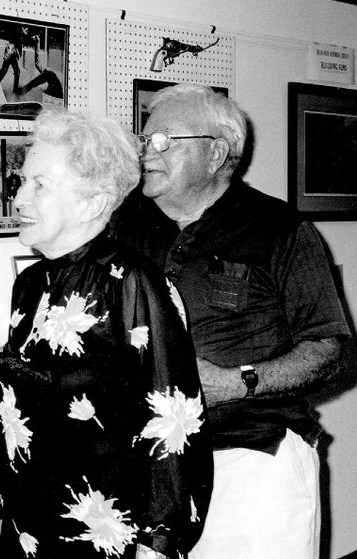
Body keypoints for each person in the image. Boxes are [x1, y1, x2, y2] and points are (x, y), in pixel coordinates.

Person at [0, 109, 212, 559]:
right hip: (32, 527)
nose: (19, 199)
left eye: (39, 185)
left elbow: (176, 419)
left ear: (93, 203)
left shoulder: (133, 283)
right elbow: (60, 389)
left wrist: (160, 543)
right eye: (21, 182)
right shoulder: (30, 284)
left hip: (105, 535)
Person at [107, 83, 351, 559]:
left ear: (216, 153)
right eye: (144, 140)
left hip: (252, 460)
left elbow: (329, 349)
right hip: (148, 467)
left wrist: (236, 382)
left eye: (163, 141)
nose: (146, 153)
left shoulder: (281, 231)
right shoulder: (124, 225)